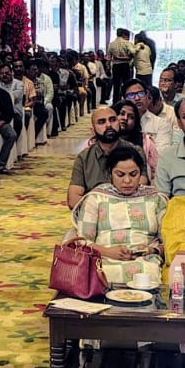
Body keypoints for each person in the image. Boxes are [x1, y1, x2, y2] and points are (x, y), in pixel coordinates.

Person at [63, 146, 165, 289]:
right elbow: (82, 241)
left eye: (133, 174)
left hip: (144, 259)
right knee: (100, 272)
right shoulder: (96, 198)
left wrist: (152, 250)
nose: (127, 180)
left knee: (149, 270)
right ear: (110, 173)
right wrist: (108, 252)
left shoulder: (155, 199)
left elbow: (167, 241)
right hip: (103, 257)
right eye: (120, 174)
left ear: (141, 173)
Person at [67, 106, 137, 207]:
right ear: (93, 131)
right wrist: (104, 211)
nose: (108, 125)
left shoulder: (135, 152)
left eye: (113, 120)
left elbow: (141, 193)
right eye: (101, 122)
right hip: (95, 213)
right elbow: (73, 200)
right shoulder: (84, 158)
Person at [116, 99, 160, 182]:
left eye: (131, 117)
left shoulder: (146, 141)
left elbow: (157, 172)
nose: (125, 118)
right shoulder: (102, 141)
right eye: (122, 114)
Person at [107, 27, 136, 105]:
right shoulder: (126, 43)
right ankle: (127, 101)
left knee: (116, 85)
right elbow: (133, 52)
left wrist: (109, 67)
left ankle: (115, 103)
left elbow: (109, 57)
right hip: (125, 65)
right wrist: (128, 57)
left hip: (115, 66)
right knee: (127, 84)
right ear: (123, 34)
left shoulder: (111, 44)